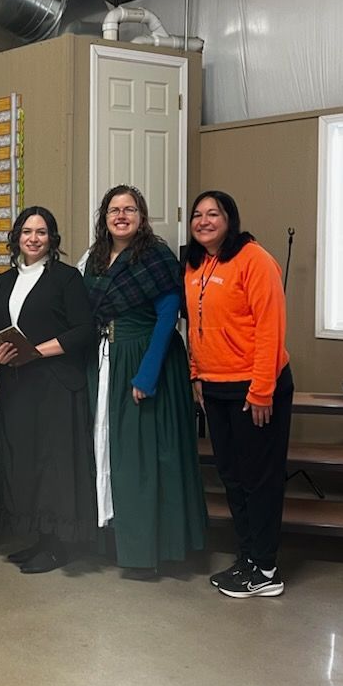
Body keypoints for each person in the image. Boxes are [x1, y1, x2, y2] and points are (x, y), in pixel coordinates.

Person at [81, 186, 207, 571]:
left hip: (143, 360)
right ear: (104, 218)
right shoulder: (96, 259)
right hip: (104, 360)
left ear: (141, 215)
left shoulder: (156, 256)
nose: (121, 216)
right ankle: (110, 538)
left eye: (129, 209)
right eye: (114, 210)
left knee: (143, 456)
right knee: (108, 450)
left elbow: (169, 318)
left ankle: (150, 546)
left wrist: (147, 375)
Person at [185, 190, 293, 598]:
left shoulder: (254, 259)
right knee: (232, 477)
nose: (204, 220)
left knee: (258, 480)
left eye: (214, 213)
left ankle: (266, 570)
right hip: (216, 388)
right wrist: (197, 374)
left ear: (231, 219)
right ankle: (248, 559)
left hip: (255, 390)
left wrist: (263, 390)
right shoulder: (195, 266)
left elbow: (270, 328)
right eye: (198, 215)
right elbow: (197, 326)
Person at [0, 206, 96, 573]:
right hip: (18, 383)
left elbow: (83, 331)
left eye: (41, 232)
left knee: (52, 462)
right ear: (16, 237)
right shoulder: (5, 281)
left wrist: (36, 352)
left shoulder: (67, 278)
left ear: (52, 239)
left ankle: (58, 545)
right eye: (27, 231)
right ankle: (37, 537)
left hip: (56, 383)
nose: (33, 238)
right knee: (26, 461)